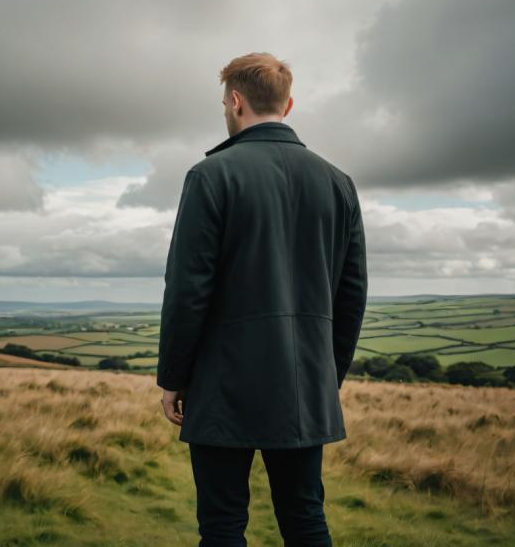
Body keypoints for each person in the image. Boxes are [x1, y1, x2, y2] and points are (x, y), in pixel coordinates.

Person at [157, 52, 368, 546]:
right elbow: (352, 293)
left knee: (224, 523)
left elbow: (188, 290)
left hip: (221, 382)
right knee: (305, 516)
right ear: (288, 104)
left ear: (235, 101)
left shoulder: (210, 176)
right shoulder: (339, 183)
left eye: (224, 103)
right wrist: (325, 376)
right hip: (304, 387)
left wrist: (173, 378)